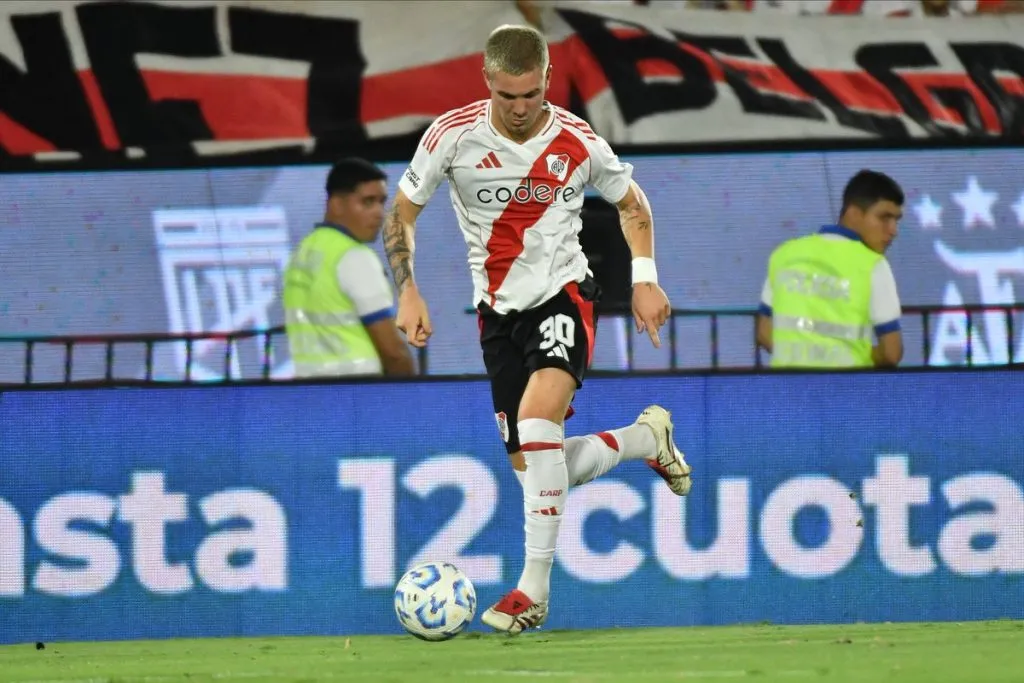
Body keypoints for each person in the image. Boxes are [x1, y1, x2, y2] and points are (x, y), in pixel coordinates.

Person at [383, 24, 692, 635]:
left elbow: (632, 204)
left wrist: (645, 278)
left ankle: (533, 592)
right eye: (508, 97)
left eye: (531, 94)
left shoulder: (577, 140)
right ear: (487, 84)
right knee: (537, 469)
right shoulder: (450, 136)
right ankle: (644, 439)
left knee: (535, 424)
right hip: (497, 316)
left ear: (547, 79)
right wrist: (409, 288)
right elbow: (403, 214)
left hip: (564, 296)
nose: (521, 109)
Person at [755, 169, 904, 368]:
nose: (893, 230)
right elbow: (891, 353)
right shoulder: (873, 265)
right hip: (844, 391)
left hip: (786, 391)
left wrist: (804, 358)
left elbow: (764, 333)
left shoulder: (784, 254)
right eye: (884, 218)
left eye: (896, 220)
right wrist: (851, 356)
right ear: (854, 213)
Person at [283, 158, 415, 378]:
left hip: (306, 394)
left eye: (381, 202)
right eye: (367, 202)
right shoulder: (355, 257)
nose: (378, 213)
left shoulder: (300, 254)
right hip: (358, 394)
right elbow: (393, 353)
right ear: (336, 204)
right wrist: (415, 397)